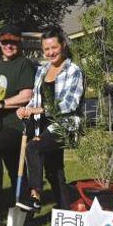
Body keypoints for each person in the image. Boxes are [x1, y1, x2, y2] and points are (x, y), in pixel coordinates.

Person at [16, 26, 84, 211]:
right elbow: (36, 99)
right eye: (46, 49)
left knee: (33, 148)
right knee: (54, 171)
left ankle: (34, 195)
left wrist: (38, 109)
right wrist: (25, 109)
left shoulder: (73, 70)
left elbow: (70, 104)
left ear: (62, 45)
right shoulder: (42, 70)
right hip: (43, 126)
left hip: (64, 125)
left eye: (54, 47)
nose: (51, 52)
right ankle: (65, 211)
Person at [0, 25, 35, 217]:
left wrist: (0, 103)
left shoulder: (24, 64)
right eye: (5, 41)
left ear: (19, 43)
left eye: (13, 42)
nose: (8, 45)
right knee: (13, 166)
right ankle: (26, 204)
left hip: (18, 125)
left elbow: (26, 95)